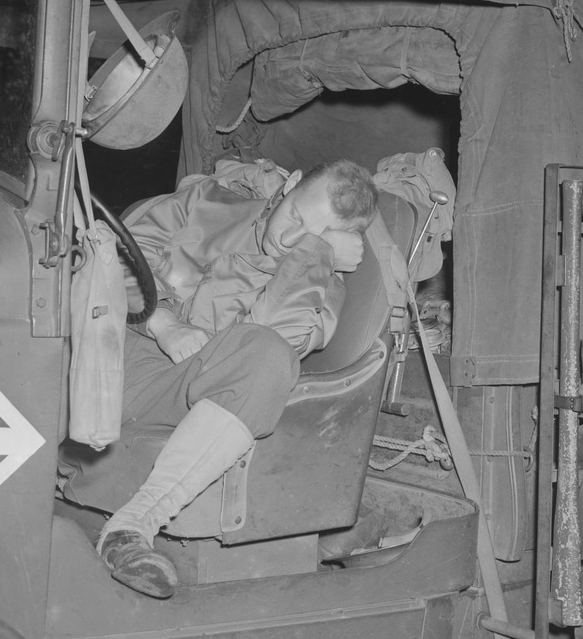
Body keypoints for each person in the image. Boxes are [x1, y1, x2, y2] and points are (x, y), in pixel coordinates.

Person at [94, 159, 380, 599]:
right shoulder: (206, 200)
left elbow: (272, 346)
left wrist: (314, 255)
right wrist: (165, 322)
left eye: (314, 236)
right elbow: (116, 251)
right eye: (296, 216)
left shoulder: (322, 289)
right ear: (291, 183)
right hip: (105, 352)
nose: (288, 237)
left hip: (178, 400)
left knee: (270, 356)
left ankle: (131, 529)